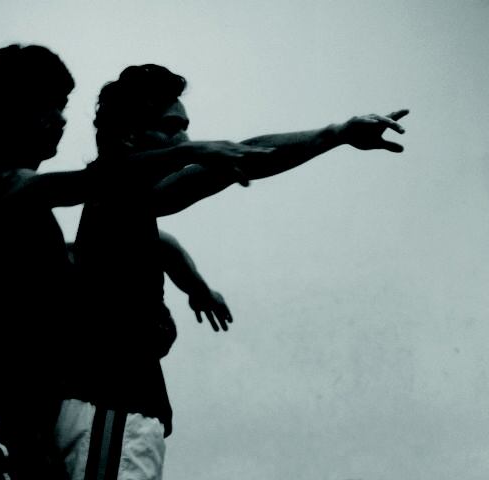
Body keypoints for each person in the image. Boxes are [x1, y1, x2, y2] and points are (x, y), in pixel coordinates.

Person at [56, 64, 408, 480]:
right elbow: (244, 156)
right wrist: (336, 134)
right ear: (130, 136)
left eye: (187, 129)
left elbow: (162, 244)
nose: (186, 140)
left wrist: (197, 288)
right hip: (111, 408)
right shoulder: (115, 189)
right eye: (172, 128)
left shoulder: (120, 205)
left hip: (119, 411)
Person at [0, 46, 261, 480]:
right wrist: (192, 152)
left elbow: (151, 239)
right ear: (15, 113)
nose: (61, 119)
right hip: (2, 423)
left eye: (63, 106)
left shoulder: (19, 205)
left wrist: (194, 286)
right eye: (50, 107)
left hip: (25, 421)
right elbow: (92, 182)